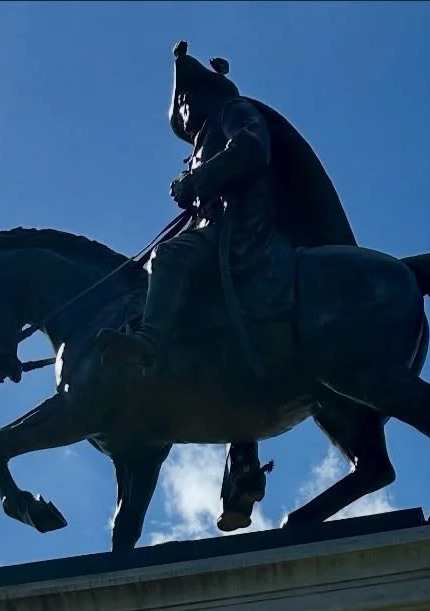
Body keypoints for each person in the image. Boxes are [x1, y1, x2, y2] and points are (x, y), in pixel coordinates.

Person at [100, 41, 355, 378]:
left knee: (169, 257)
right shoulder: (205, 137)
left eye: (187, 101)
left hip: (243, 228)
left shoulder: (232, 111)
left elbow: (251, 147)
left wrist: (197, 180)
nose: (183, 109)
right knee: (152, 267)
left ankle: (150, 342)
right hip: (214, 227)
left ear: (207, 93)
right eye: (180, 105)